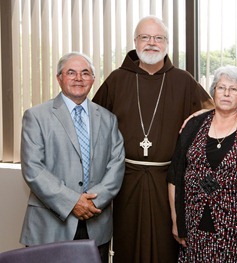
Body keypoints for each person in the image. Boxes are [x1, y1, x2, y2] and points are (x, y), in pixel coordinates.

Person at [92, 15, 214, 262]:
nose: (151, 43)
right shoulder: (117, 79)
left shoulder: (183, 80)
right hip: (126, 181)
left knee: (166, 248)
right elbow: (93, 125)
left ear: (167, 43)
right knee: (126, 245)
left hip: (167, 181)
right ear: (135, 41)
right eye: (145, 37)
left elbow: (212, 117)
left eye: (158, 38)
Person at [20, 52, 125, 263]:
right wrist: (72, 202)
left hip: (96, 223)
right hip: (50, 225)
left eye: (85, 73)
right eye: (71, 72)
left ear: (93, 79)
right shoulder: (36, 116)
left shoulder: (108, 119)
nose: (79, 78)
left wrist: (91, 203)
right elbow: (33, 169)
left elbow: (117, 165)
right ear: (59, 78)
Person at [167, 65, 237, 262]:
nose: (226, 93)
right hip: (194, 223)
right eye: (221, 87)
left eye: (234, 89)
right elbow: (174, 176)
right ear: (213, 90)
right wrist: (176, 220)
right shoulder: (194, 124)